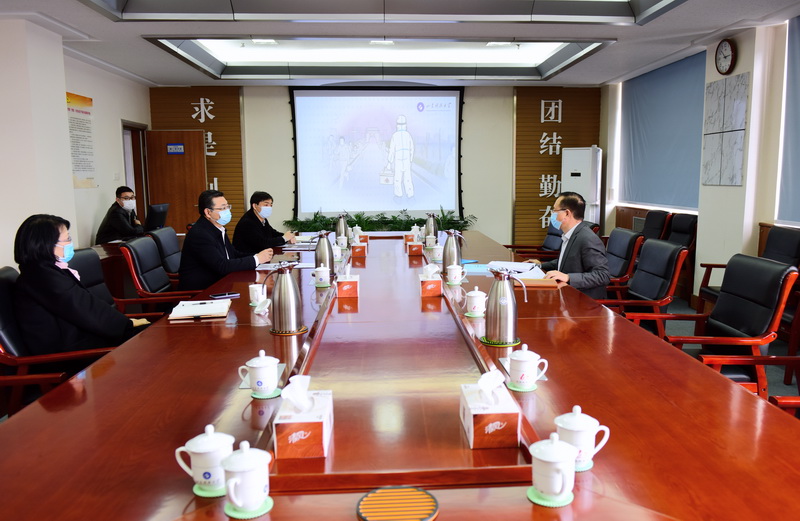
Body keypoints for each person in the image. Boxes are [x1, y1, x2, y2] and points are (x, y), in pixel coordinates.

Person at [13, 214, 150, 356]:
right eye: (67, 239)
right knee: (147, 338)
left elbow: (84, 307)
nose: (70, 243)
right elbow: (85, 308)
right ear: (45, 245)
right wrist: (127, 325)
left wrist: (126, 324)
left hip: (75, 339)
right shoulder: (41, 277)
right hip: (65, 354)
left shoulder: (42, 270)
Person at [178, 190, 274, 291]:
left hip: (221, 283)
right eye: (223, 208)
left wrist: (258, 256)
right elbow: (222, 266)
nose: (227, 211)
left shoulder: (218, 228)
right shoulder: (200, 234)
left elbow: (233, 254)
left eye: (227, 207)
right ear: (208, 212)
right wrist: (256, 259)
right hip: (202, 292)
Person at [536, 192, 610, 299]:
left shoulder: (587, 239)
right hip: (567, 294)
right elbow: (567, 261)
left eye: (554, 210)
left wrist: (568, 277)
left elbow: (602, 275)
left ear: (567, 213)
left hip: (584, 301)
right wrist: (539, 266)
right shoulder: (570, 234)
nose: (552, 214)